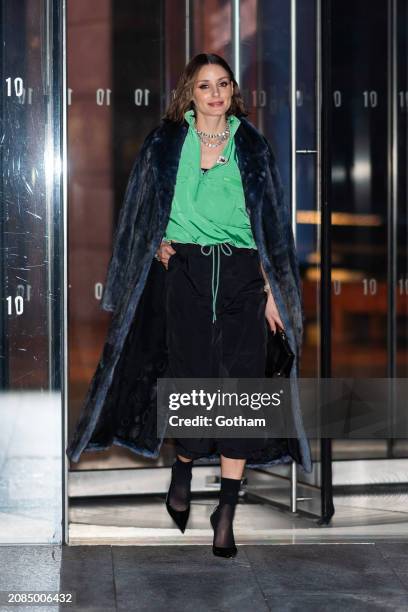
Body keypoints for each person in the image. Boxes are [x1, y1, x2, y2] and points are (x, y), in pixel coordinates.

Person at [66, 52, 312, 560]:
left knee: (241, 394)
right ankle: (182, 469)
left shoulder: (253, 146)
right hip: (186, 277)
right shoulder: (164, 144)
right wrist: (153, 242)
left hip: (244, 278)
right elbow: (139, 209)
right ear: (190, 94)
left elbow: (271, 226)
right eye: (205, 86)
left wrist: (272, 292)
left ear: (232, 91)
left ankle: (225, 512)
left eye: (223, 84)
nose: (216, 93)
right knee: (192, 384)